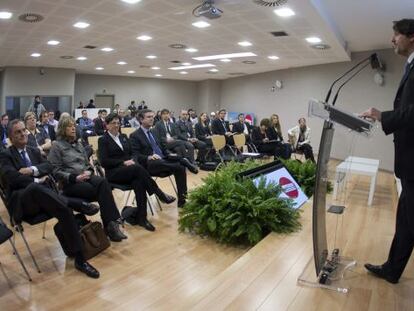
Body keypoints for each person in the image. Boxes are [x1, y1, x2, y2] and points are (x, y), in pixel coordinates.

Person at [0, 119, 100, 278]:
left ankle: (80, 259)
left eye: (23, 130)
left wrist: (32, 170)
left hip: (46, 199)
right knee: (36, 187)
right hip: (23, 204)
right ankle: (76, 203)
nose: (22, 134)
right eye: (17, 132)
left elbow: (49, 167)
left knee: (64, 209)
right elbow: (12, 178)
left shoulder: (33, 150)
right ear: (10, 138)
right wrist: (37, 179)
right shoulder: (5, 155)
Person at [361, 19, 414, 284]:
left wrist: (383, 116)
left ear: (411, 36)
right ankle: (393, 269)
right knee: (405, 222)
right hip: (408, 161)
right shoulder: (410, 66)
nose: (392, 40)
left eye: (396, 35)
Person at [48, 117, 126, 242]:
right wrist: (75, 177)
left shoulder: (78, 144)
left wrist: (88, 171)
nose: (73, 128)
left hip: (86, 176)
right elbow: (55, 171)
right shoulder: (56, 146)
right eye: (69, 126)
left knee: (103, 182)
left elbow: (88, 164)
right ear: (63, 129)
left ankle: (111, 225)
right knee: (101, 190)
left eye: (74, 125)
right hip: (71, 182)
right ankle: (112, 225)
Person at [98, 113, 176, 231]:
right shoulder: (103, 140)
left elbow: (133, 154)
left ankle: (142, 219)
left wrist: (132, 161)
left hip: (131, 171)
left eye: (118, 123)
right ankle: (158, 192)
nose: (116, 125)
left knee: (139, 182)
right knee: (138, 169)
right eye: (113, 123)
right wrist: (123, 163)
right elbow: (104, 161)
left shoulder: (124, 136)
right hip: (114, 173)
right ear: (107, 125)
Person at [130, 109, 198, 208]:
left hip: (163, 161)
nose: (152, 119)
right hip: (150, 164)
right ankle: (184, 161)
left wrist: (169, 154)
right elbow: (135, 155)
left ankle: (182, 200)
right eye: (148, 117)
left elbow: (163, 147)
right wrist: (149, 156)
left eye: (152, 117)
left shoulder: (153, 132)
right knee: (175, 164)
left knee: (180, 167)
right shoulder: (135, 135)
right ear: (141, 119)